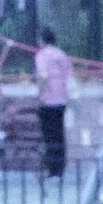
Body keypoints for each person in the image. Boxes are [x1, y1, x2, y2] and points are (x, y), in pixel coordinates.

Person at [35, 31, 72, 177]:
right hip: (61, 99)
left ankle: (51, 168)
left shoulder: (42, 55)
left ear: (42, 40)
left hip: (48, 99)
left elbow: (43, 76)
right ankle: (60, 167)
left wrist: (39, 94)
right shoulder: (62, 55)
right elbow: (68, 76)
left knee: (48, 135)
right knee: (59, 133)